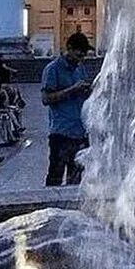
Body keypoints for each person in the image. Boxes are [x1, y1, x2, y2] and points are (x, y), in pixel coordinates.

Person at [40, 31, 92, 186]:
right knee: (55, 176)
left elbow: (83, 93)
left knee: (76, 180)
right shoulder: (53, 69)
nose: (80, 60)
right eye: (78, 55)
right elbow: (46, 99)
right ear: (68, 48)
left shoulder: (80, 68)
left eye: (83, 56)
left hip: (80, 132)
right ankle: (50, 208)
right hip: (61, 133)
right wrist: (72, 89)